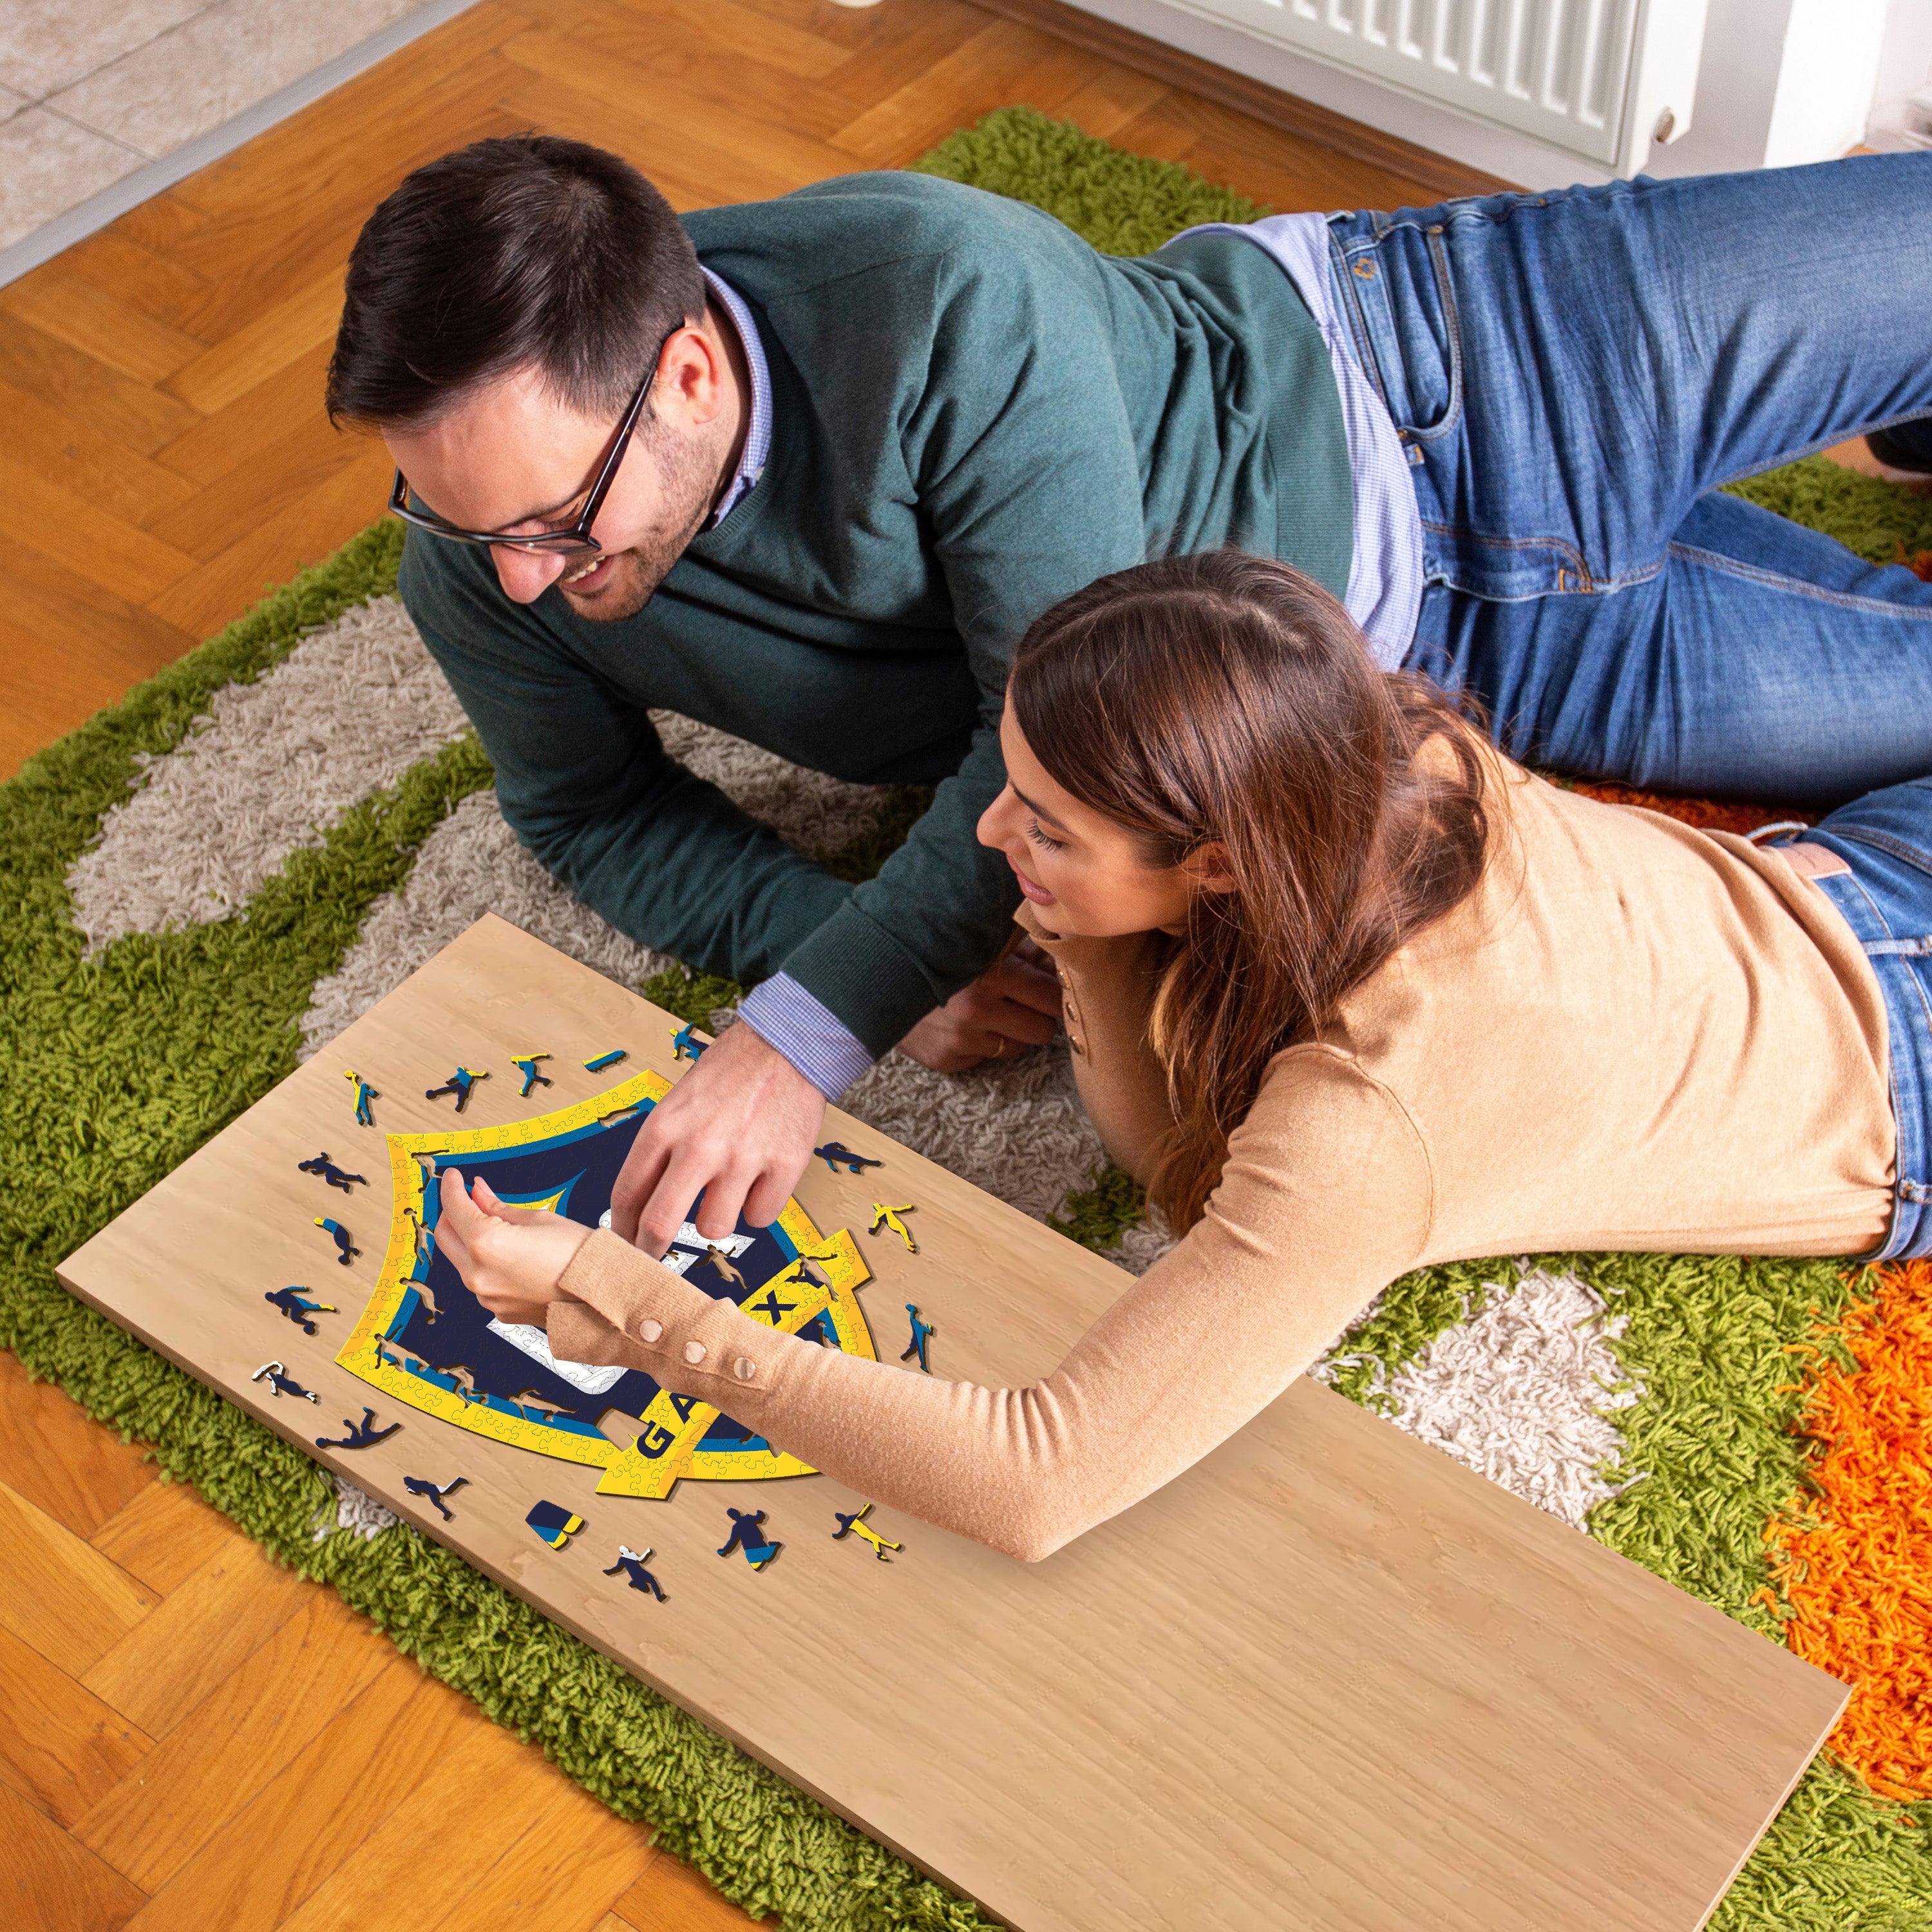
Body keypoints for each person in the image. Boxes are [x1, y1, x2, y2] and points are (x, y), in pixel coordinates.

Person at [325, 136, 1932, 1259]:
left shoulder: (941, 289)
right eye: (457, 520)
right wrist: (809, 931)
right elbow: (583, 805)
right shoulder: (477, 566)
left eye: (553, 521)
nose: (517, 579)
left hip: (1464, 359)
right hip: (1418, 672)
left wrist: (802, 1029)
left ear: (684, 374)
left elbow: (1042, 717)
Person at [425, 553, 1929, 1563]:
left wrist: (624, 1304)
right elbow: (1176, 1144)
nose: (990, 838)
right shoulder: (1360, 732)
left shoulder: (1368, 1125)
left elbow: (1038, 1477)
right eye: (1005, 788)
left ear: (1216, 866)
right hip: (1848, 868)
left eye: (1049, 826)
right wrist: (1074, 915)